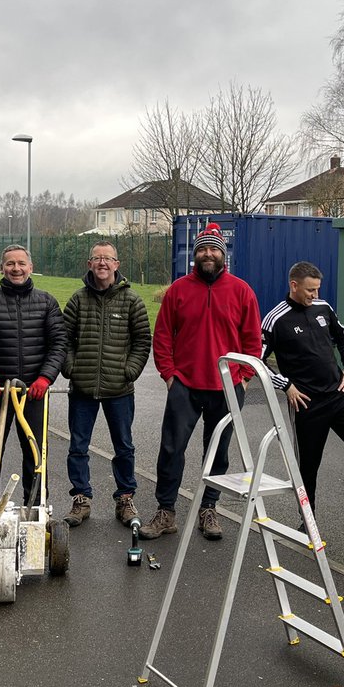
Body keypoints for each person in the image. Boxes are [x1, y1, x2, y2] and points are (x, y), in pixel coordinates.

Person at [139, 223, 262, 541]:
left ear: (223, 254)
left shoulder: (241, 291)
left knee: (218, 452)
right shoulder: (178, 290)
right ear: (195, 255)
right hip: (186, 386)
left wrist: (244, 379)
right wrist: (169, 375)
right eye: (203, 249)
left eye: (214, 249)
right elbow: (163, 336)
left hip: (228, 388)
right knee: (170, 449)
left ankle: (209, 508)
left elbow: (252, 340)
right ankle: (166, 511)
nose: (208, 254)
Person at [261, 261, 344, 530]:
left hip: (340, 396)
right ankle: (308, 523)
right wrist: (286, 385)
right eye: (310, 290)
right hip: (307, 404)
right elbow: (257, 359)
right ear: (294, 285)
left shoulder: (324, 308)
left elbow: (343, 337)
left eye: (317, 289)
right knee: (309, 468)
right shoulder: (275, 319)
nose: (314, 295)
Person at [0, 244, 65, 507]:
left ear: (31, 267)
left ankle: (37, 507)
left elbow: (59, 344)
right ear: (2, 267)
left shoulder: (47, 302)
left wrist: (45, 378)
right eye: (10, 264)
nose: (15, 269)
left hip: (33, 393)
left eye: (21, 264)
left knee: (35, 455)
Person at [59, 242, 152, 528]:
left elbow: (142, 341)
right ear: (89, 264)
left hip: (119, 389)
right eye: (97, 258)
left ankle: (125, 498)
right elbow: (64, 339)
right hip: (83, 389)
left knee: (124, 447)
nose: (102, 263)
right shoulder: (77, 300)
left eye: (107, 258)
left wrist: (130, 370)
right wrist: (70, 367)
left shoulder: (132, 301)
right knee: (78, 446)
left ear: (117, 264)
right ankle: (81, 498)